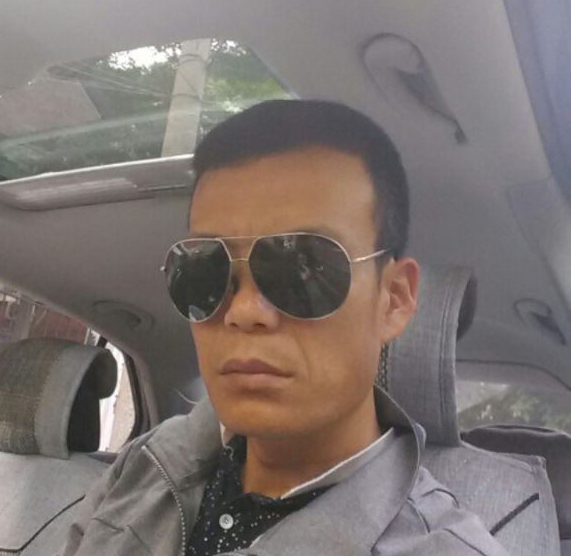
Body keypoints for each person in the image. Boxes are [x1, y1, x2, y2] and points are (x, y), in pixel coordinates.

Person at [58, 100, 508, 555]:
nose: (243, 311)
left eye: (303, 268)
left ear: (393, 299)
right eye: (206, 270)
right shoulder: (145, 466)